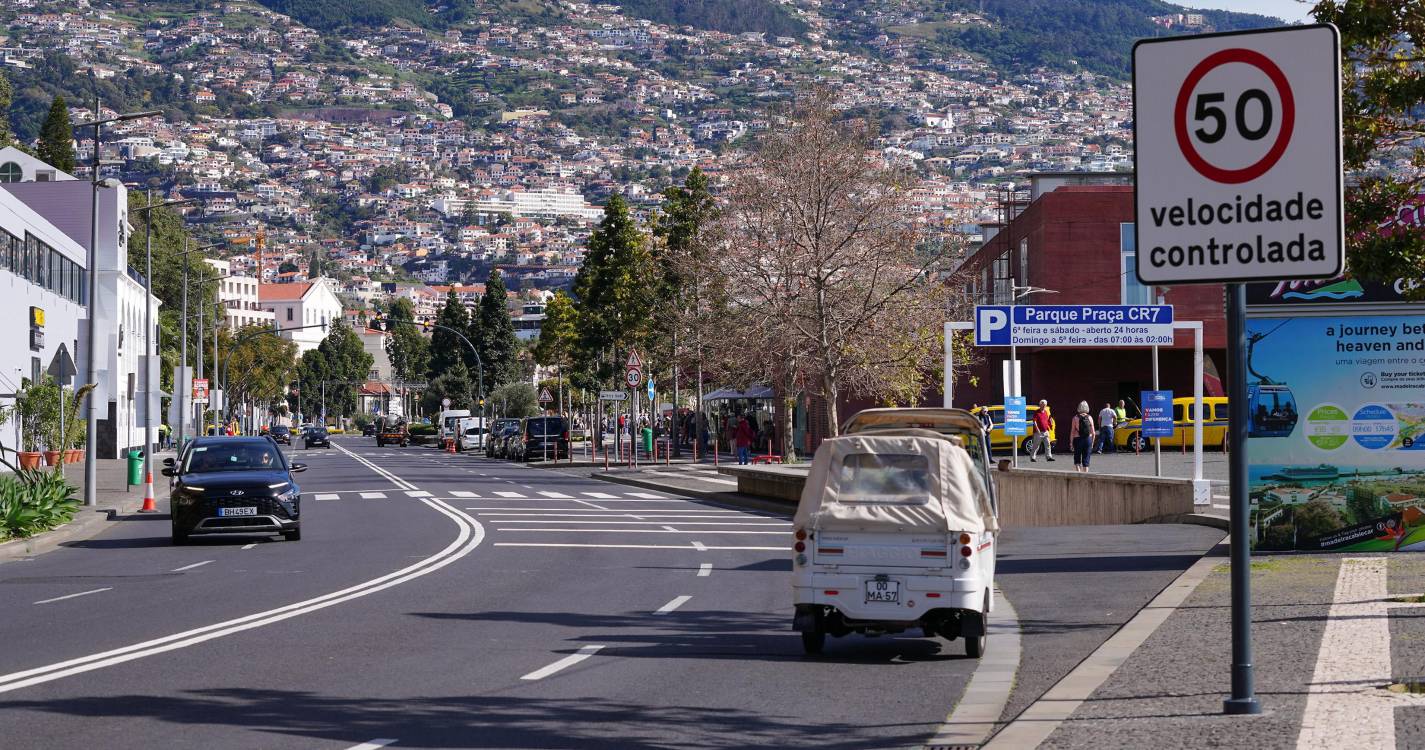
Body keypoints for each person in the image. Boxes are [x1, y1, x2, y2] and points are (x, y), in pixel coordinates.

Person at [1071, 401, 1095, 472]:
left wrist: (1071, 443)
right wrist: (1092, 443)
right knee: (1086, 458)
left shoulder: (1075, 418)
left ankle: (1078, 474)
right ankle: (1086, 474)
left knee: (1077, 458)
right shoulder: (1090, 417)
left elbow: (1072, 431)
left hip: (1078, 439)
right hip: (1088, 439)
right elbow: (1093, 432)